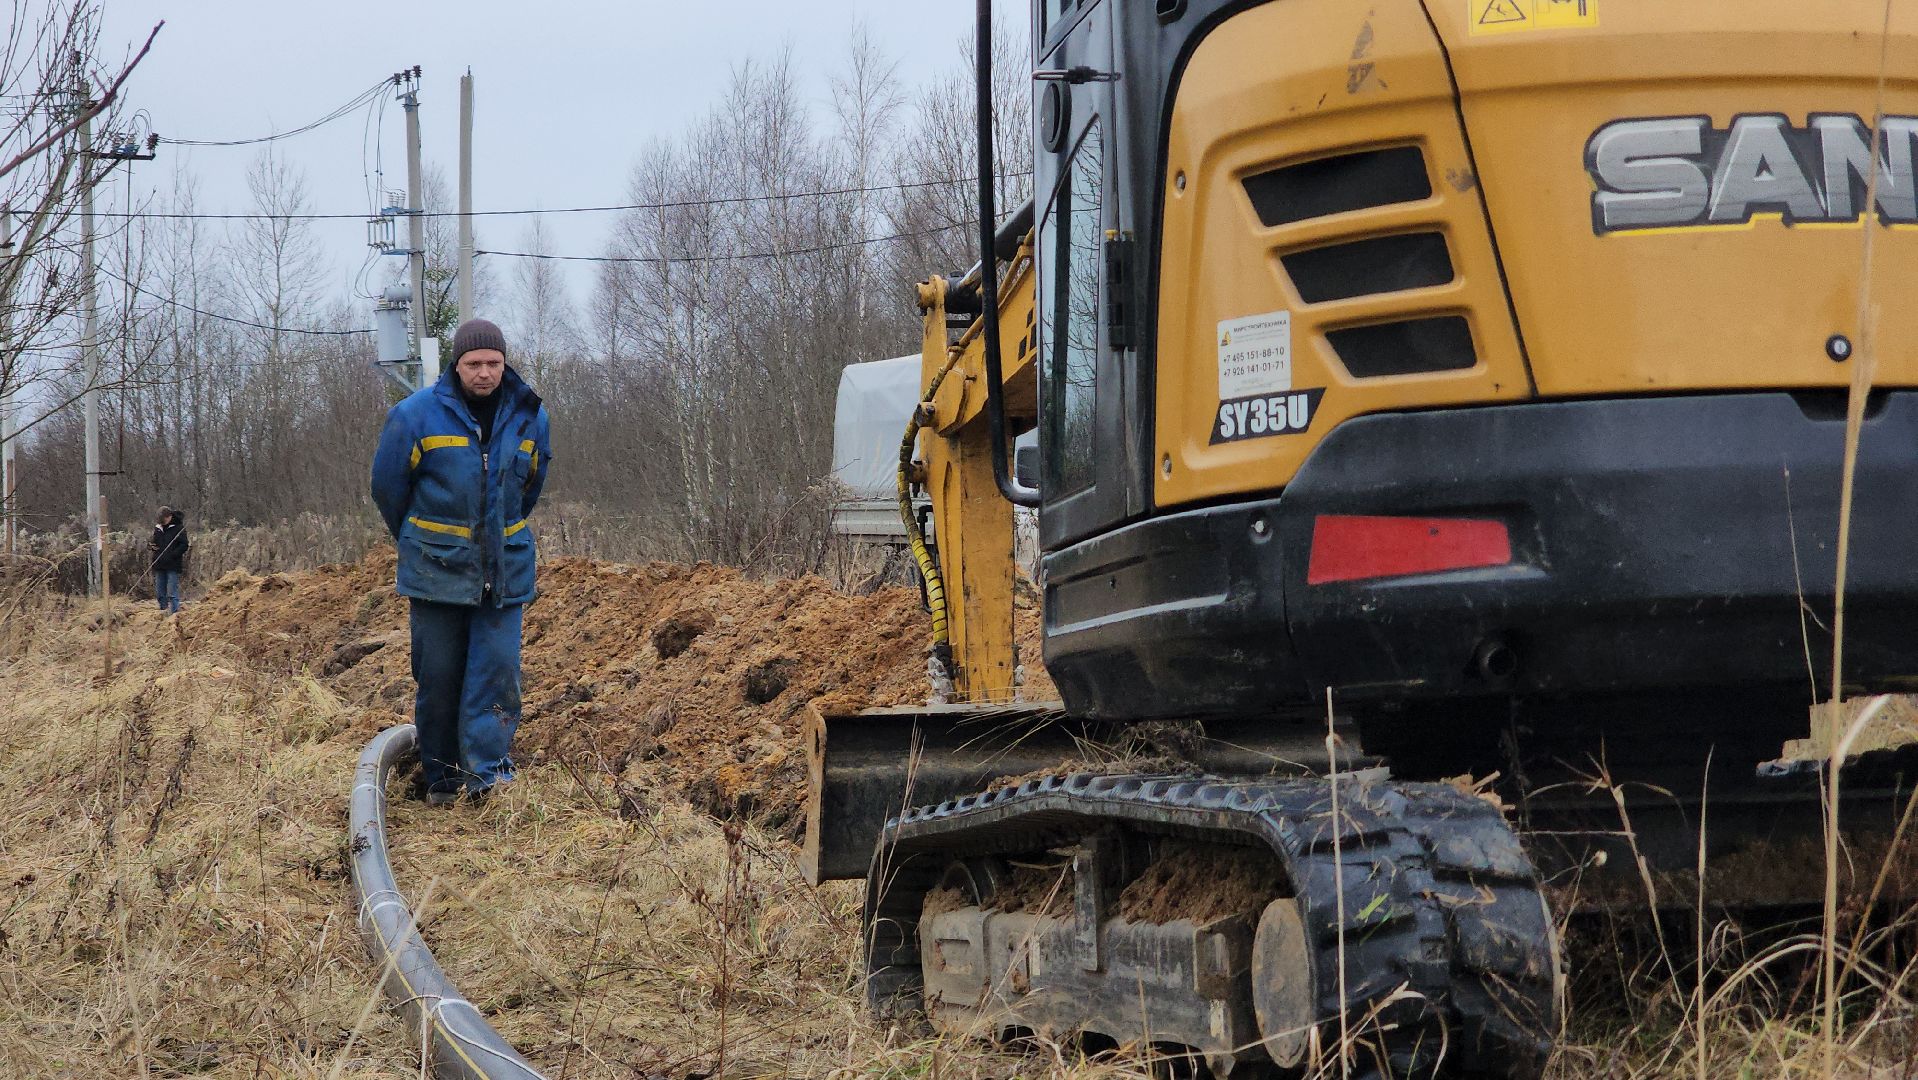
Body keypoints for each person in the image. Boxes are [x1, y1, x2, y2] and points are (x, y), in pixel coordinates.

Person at [370, 319, 553, 805]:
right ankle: (444, 780)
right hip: (437, 575)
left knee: (497, 676)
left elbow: (529, 487)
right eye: (474, 364)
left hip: (505, 574)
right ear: (457, 364)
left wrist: (496, 539)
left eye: (494, 363)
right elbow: (388, 490)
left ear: (504, 362)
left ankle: (488, 780)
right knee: (440, 678)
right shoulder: (414, 416)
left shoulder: (530, 416)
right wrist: (423, 541)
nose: (485, 373)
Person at [148, 505, 189, 614]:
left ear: (169, 516)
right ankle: (163, 610)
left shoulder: (179, 528)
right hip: (159, 564)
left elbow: (184, 545)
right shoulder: (158, 528)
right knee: (160, 592)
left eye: (163, 520)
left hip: (173, 565)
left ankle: (174, 613)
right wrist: (151, 546)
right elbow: (153, 542)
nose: (162, 523)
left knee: (172, 592)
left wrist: (173, 555)